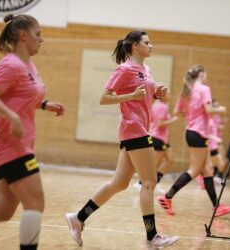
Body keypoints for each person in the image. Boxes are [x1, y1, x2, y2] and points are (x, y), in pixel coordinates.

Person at [64, 30, 179, 249]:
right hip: (133, 129)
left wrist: (156, 94)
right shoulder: (124, 69)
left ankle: (78, 218)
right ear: (135, 46)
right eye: (147, 42)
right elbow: (104, 98)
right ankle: (152, 237)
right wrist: (131, 97)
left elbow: (143, 98)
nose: (151, 45)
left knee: (119, 183)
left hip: (139, 128)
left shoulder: (146, 69)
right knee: (149, 182)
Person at [0, 14, 65, 250]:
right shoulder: (10, 64)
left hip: (17, 144)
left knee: (1, 211)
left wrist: (44, 104)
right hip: (9, 144)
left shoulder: (28, 65)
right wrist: (11, 117)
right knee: (35, 201)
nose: (41, 39)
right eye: (38, 34)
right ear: (23, 35)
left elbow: (19, 98)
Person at [157, 65, 230, 217]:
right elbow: (209, 110)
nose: (206, 76)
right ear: (201, 74)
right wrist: (221, 109)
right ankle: (166, 197)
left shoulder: (187, 90)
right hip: (198, 132)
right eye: (205, 74)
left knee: (208, 170)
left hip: (193, 132)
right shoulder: (204, 89)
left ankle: (217, 206)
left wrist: (192, 113)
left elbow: (177, 112)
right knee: (194, 170)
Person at [133, 92, 178, 193]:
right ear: (163, 96)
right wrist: (173, 120)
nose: (170, 95)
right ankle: (141, 183)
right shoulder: (162, 107)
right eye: (168, 93)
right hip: (157, 137)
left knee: (170, 160)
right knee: (154, 164)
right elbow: (160, 123)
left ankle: (154, 183)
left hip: (163, 139)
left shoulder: (158, 106)